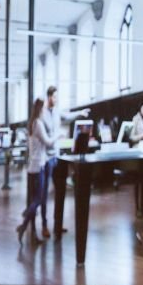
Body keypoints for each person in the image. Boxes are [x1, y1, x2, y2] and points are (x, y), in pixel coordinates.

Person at [38, 86, 89, 238]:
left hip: (57, 157)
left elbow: (67, 116)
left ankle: (58, 225)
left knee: (60, 191)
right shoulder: (41, 114)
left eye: (57, 97)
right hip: (46, 158)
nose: (56, 99)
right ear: (48, 97)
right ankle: (44, 225)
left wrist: (80, 113)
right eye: (54, 97)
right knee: (44, 194)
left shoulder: (57, 111)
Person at [17, 99, 54, 245]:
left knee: (35, 199)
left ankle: (24, 228)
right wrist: (60, 136)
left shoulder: (31, 123)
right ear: (40, 109)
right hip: (39, 167)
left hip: (31, 168)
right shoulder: (38, 123)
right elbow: (48, 142)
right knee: (38, 199)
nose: (45, 111)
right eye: (43, 108)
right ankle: (27, 211)